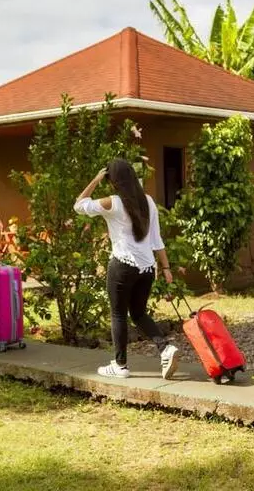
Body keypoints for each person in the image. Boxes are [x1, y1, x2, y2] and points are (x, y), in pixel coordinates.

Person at [74, 158, 179, 380]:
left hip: (123, 265)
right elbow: (156, 239)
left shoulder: (112, 202)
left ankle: (120, 366)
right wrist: (166, 267)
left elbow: (79, 205)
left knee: (118, 314)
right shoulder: (148, 201)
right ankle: (165, 348)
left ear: (113, 181)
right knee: (139, 313)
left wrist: (95, 180)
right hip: (147, 267)